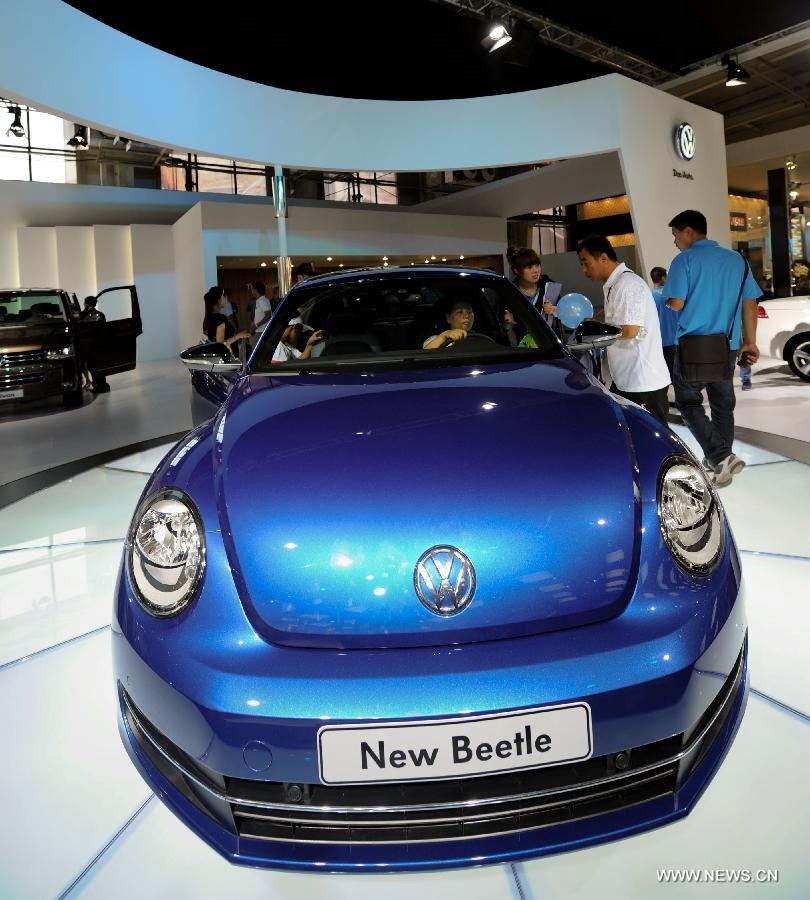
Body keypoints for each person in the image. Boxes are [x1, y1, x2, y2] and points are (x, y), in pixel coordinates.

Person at [663, 210, 762, 487]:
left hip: (693, 347)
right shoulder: (737, 261)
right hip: (726, 346)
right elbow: (750, 304)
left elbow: (677, 303)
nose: (675, 242)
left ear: (688, 232)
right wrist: (750, 341)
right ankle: (722, 464)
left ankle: (720, 457)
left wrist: (667, 300)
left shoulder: (684, 260)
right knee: (722, 405)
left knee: (688, 402)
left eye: (675, 236)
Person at [578, 235, 670, 426]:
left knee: (654, 441)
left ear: (603, 258)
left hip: (642, 380)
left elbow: (631, 329)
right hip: (626, 378)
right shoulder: (615, 284)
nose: (584, 270)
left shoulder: (628, 284)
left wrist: (597, 330)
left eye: (586, 263)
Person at [509, 247, 562, 335]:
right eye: (529, 267)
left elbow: (566, 313)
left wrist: (556, 310)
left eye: (537, 265)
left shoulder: (550, 287)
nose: (536, 271)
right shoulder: (511, 291)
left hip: (550, 341)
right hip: (523, 345)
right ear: (517, 271)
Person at [203, 287, 250, 354]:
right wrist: (238, 336)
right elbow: (220, 344)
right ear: (222, 297)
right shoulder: (220, 318)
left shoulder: (209, 317)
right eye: (226, 296)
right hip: (227, 356)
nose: (227, 299)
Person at [650, 266, 678, 379]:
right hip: (675, 340)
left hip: (657, 342)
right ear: (663, 278)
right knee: (678, 377)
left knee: (664, 376)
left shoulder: (648, 296)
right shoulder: (674, 295)